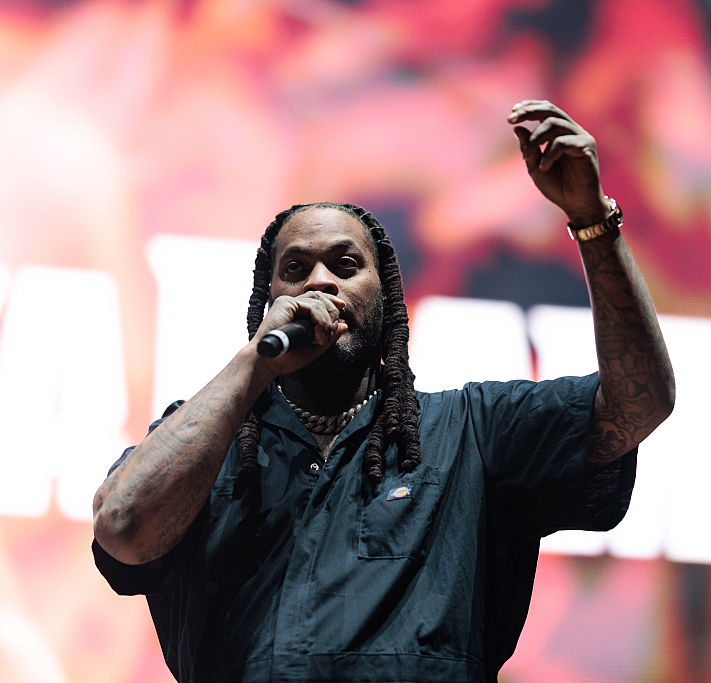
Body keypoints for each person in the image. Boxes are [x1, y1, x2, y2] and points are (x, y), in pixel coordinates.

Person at [92, 100, 675, 682]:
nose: (320, 281)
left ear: (388, 300)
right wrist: (252, 364)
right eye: (295, 270)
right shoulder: (206, 443)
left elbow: (639, 403)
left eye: (345, 264)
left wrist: (593, 222)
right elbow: (123, 531)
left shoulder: (474, 430)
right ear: (266, 301)